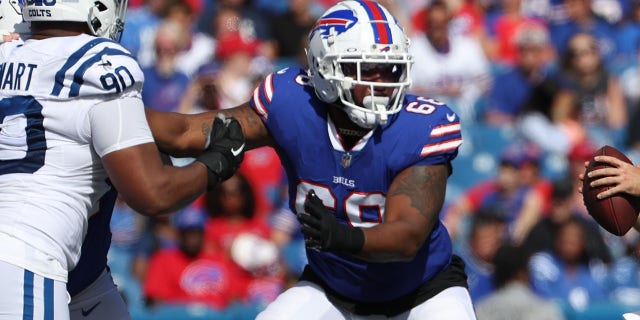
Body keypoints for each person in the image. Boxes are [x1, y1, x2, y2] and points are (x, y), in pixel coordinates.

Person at [152, 1, 476, 318]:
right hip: (333, 289)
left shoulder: (420, 126)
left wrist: (341, 237)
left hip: (422, 292)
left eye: (389, 68)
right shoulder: (292, 104)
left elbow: (407, 236)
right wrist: (117, 112)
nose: (382, 82)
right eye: (365, 69)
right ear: (325, 69)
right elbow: (185, 134)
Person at [0, 1, 245, 319]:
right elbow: (153, 193)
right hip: (30, 255)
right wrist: (217, 163)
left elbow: (163, 129)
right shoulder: (96, 62)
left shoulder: (10, 57)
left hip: (78, 274)